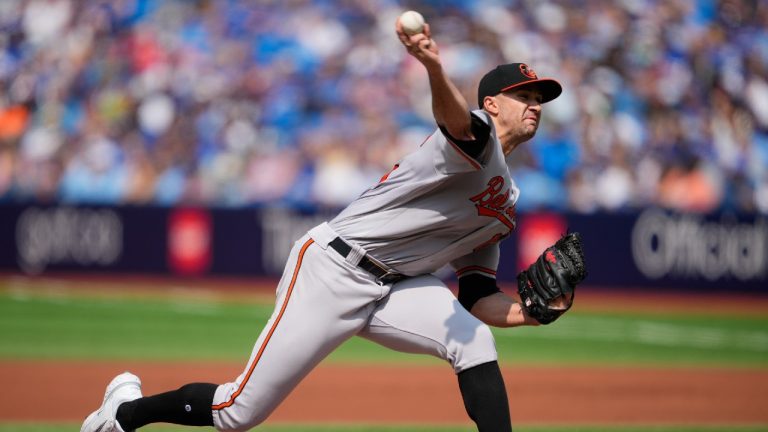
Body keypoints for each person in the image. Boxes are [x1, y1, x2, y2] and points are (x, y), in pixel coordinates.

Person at [82, 16, 567, 432]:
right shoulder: (476, 138)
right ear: (492, 105)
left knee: (475, 340)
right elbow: (456, 121)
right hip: (333, 270)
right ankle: (124, 414)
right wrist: (433, 66)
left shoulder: (505, 204)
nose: (535, 104)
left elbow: (477, 294)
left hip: (395, 288)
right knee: (238, 412)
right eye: (523, 94)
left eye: (540, 97)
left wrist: (531, 312)